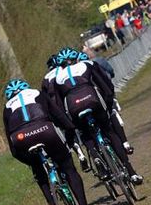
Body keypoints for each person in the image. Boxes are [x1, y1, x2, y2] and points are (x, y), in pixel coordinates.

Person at [3, 78, 102, 205]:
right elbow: (59, 116)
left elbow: (12, 146)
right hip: (45, 130)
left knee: (37, 168)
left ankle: (52, 204)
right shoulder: (38, 94)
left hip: (21, 138)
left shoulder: (7, 108)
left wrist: (28, 161)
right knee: (68, 168)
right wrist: (70, 138)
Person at [54, 48, 143, 185]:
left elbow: (59, 106)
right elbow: (105, 85)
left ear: (60, 65)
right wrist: (108, 104)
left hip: (73, 108)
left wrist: (69, 125)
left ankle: (95, 155)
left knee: (86, 134)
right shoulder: (87, 65)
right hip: (92, 100)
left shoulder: (57, 79)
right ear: (76, 58)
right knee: (109, 131)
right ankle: (132, 173)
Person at [77, 51, 134, 156]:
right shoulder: (96, 61)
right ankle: (125, 143)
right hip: (103, 93)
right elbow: (110, 72)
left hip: (86, 100)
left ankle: (97, 154)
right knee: (111, 114)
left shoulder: (77, 72)